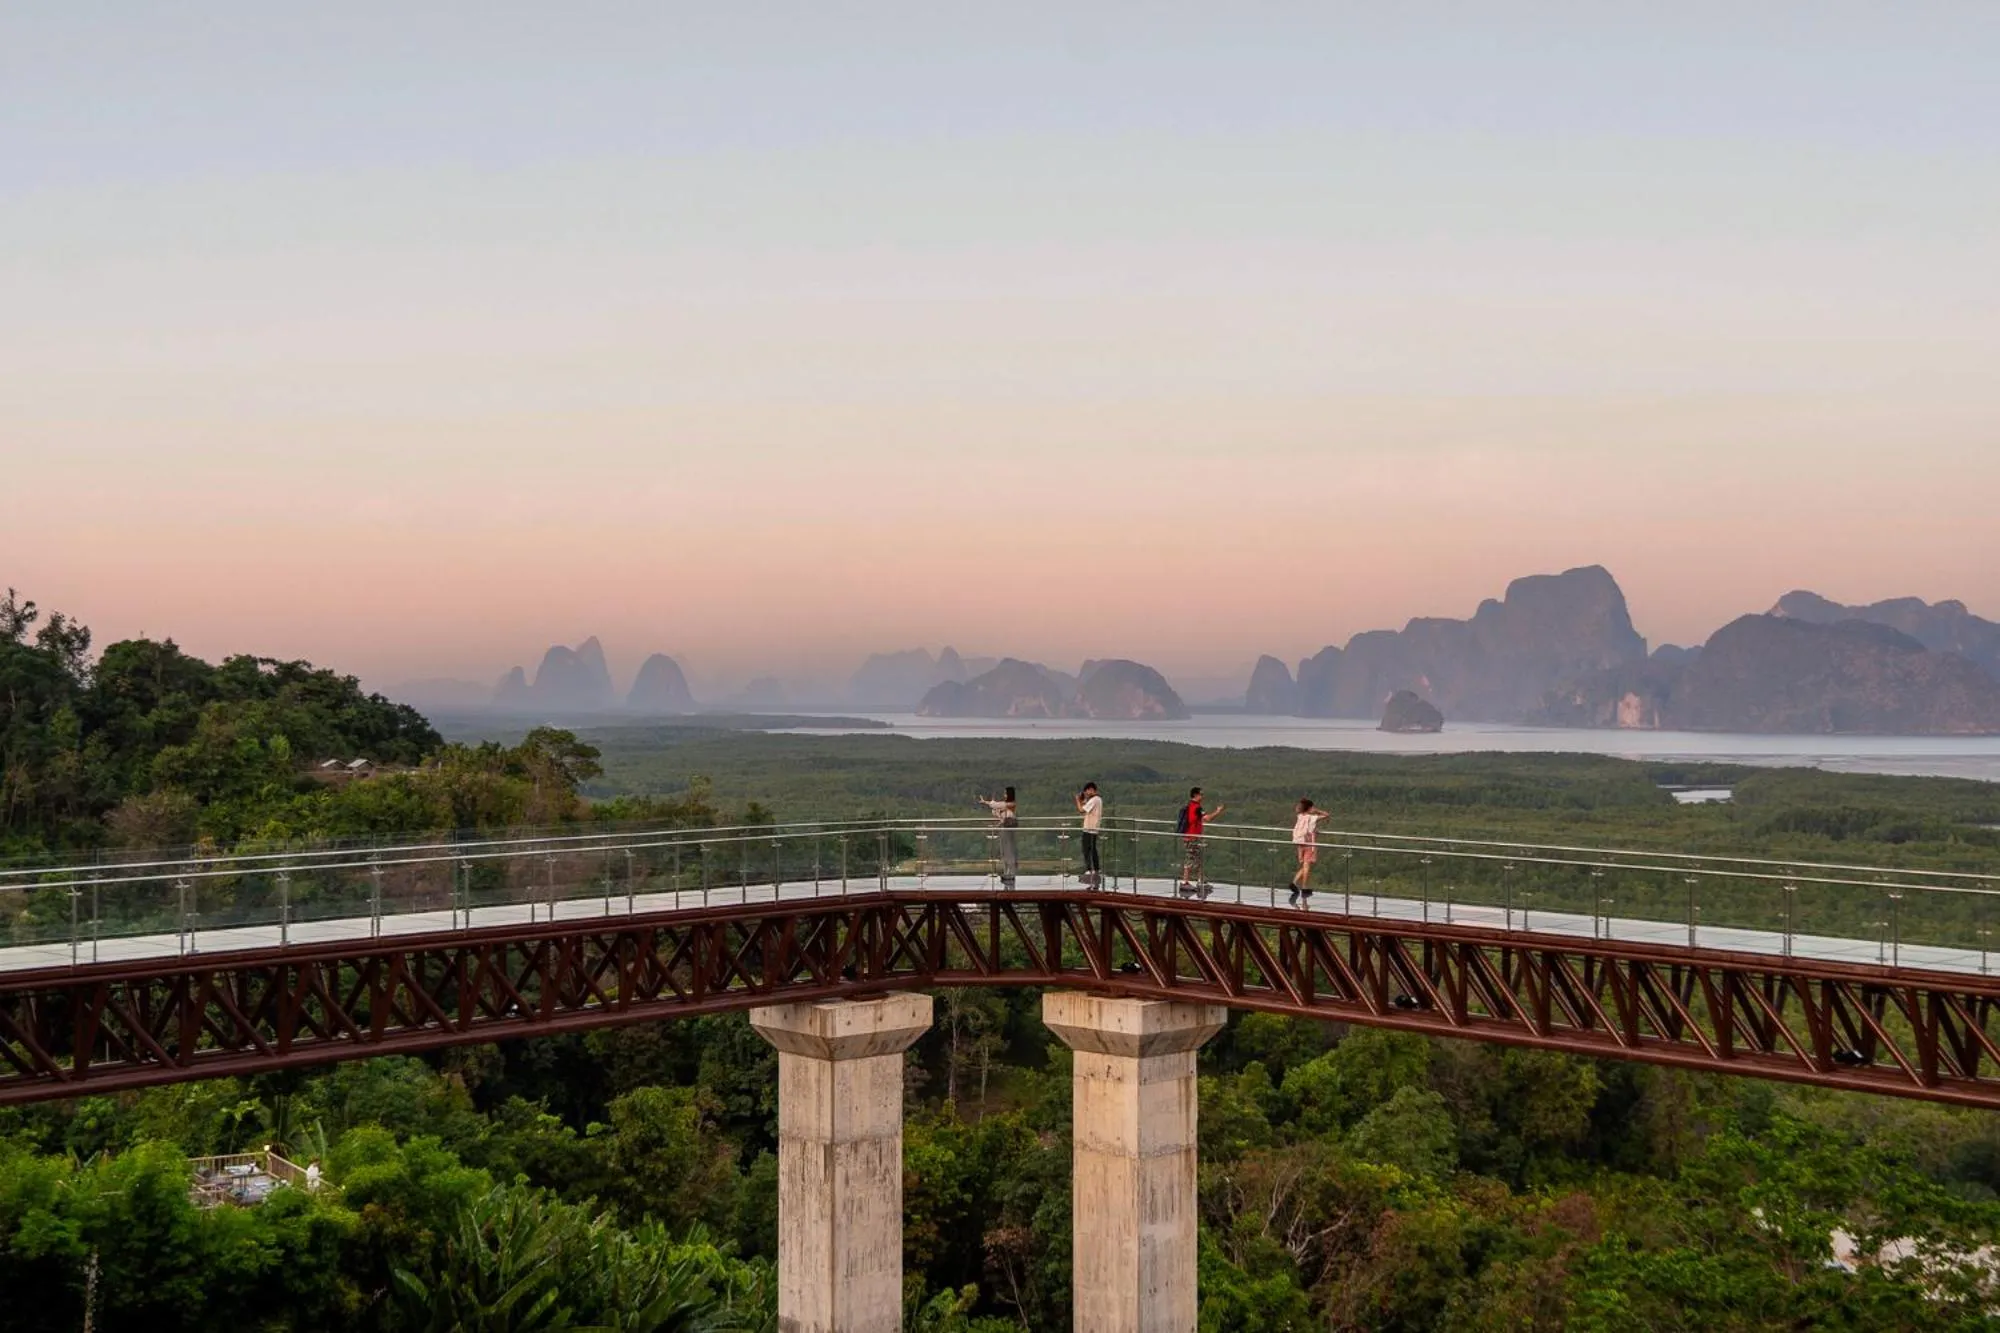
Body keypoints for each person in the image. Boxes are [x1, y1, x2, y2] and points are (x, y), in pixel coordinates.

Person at [1176, 787, 1224, 896]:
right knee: (1191, 858)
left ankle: (1199, 880)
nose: (1202, 797)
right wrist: (1217, 811)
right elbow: (1207, 818)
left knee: (1197, 858)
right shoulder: (1197, 807)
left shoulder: (1189, 806)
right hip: (1193, 837)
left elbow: (1197, 819)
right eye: (1201, 794)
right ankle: (1185, 882)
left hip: (1189, 836)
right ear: (1196, 795)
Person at [1289, 798, 1332, 904]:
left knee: (1304, 865)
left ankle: (1294, 882)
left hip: (1300, 842)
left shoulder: (1300, 816)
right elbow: (1327, 815)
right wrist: (1317, 811)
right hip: (1309, 844)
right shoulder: (1312, 818)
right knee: (1307, 866)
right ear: (1310, 808)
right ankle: (1304, 888)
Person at [979, 786, 1019, 886]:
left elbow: (997, 805)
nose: (1004, 795)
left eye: (1006, 793)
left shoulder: (1011, 804)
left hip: (1008, 830)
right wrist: (988, 803)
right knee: (1004, 850)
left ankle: (1011, 873)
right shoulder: (1007, 805)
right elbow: (997, 808)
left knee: (1009, 850)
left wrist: (988, 802)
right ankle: (1007, 872)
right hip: (1003, 829)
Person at [1074, 782, 1104, 886]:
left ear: (1092, 790)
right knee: (1093, 849)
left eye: (1088, 790)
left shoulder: (1094, 800)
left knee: (1086, 850)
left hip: (1089, 829)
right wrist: (1083, 801)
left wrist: (1078, 800)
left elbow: (1082, 810)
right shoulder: (1098, 800)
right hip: (1094, 828)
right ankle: (1096, 869)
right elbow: (1087, 808)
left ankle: (1089, 870)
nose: (1087, 792)